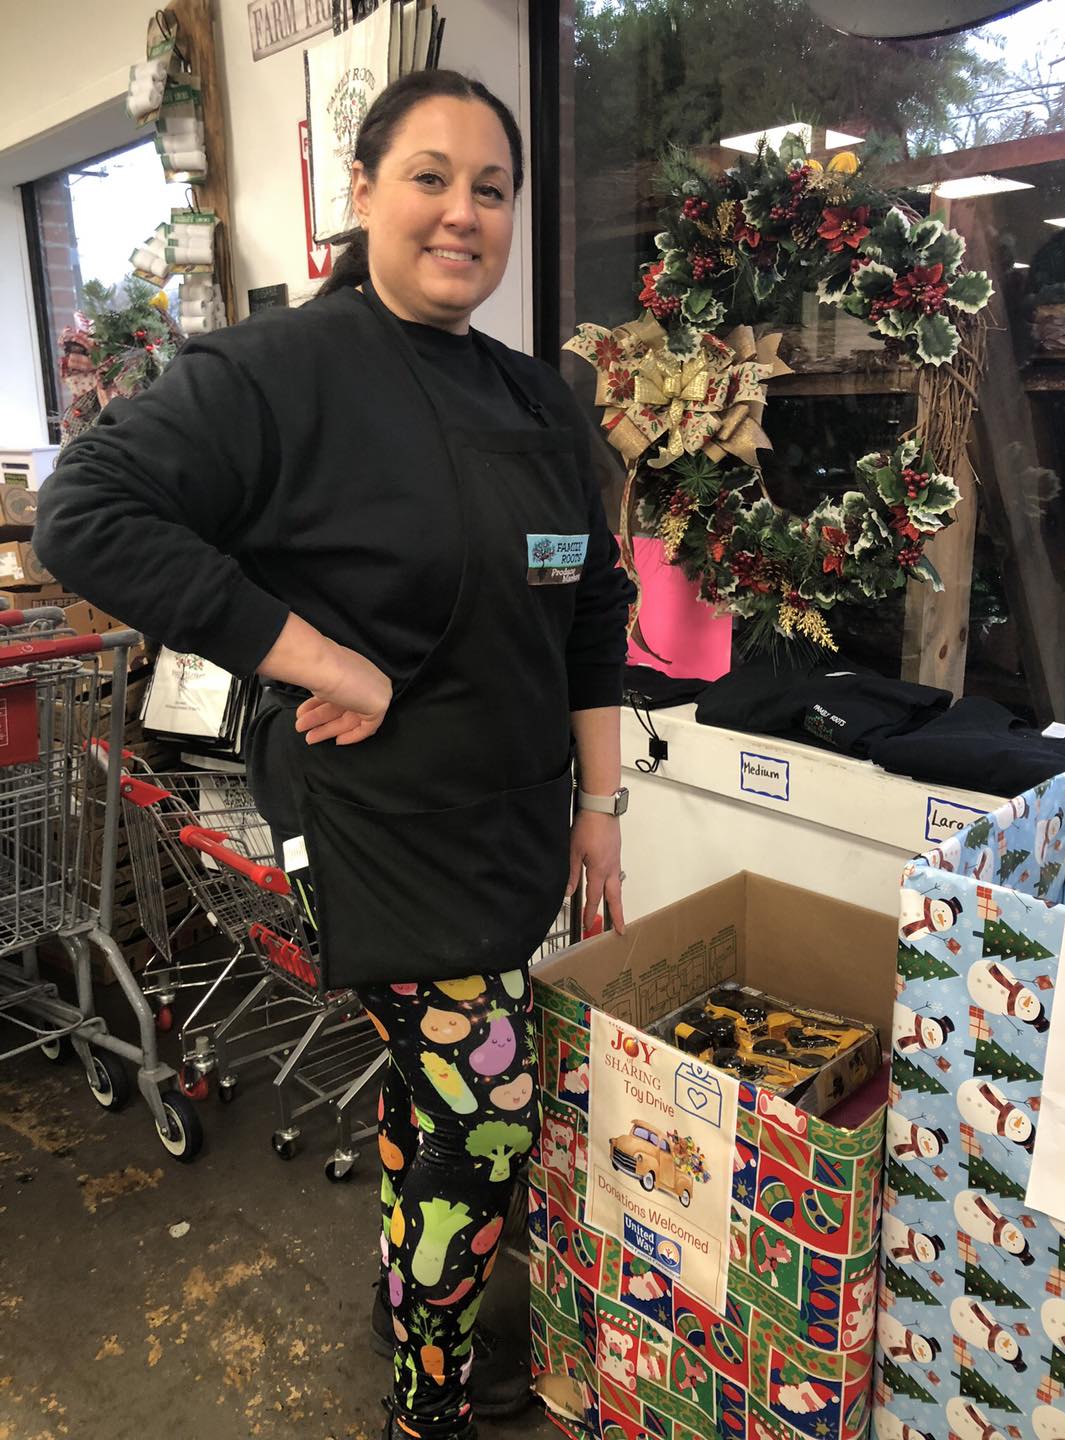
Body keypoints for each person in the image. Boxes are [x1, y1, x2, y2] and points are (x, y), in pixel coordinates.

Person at [35, 69, 634, 1440]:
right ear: (358, 193)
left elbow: (591, 603)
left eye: (492, 189)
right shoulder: (277, 372)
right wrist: (312, 654)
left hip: (515, 815)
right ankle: (428, 1404)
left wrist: (600, 801)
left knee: (435, 1096)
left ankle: (404, 1289)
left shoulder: (543, 401)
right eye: (429, 176)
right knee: (487, 1117)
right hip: (376, 823)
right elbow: (87, 513)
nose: (462, 214)